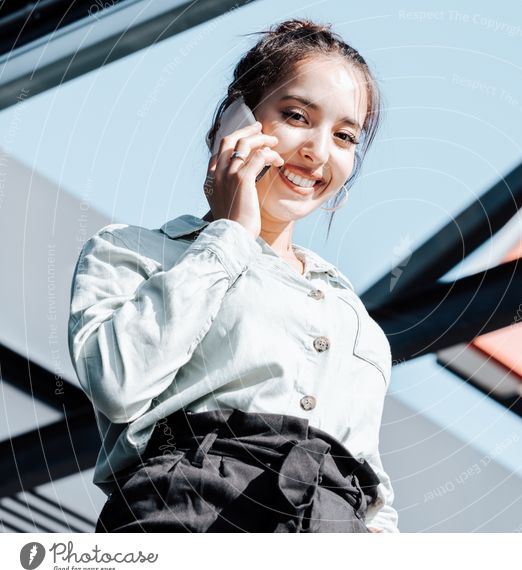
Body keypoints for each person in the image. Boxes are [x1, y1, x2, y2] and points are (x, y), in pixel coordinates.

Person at [67, 18, 398, 533]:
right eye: (295, 116)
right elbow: (118, 384)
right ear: (235, 119)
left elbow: (373, 492)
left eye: (344, 135)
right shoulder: (135, 252)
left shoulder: (347, 313)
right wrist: (230, 235)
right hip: (190, 517)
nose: (318, 149)